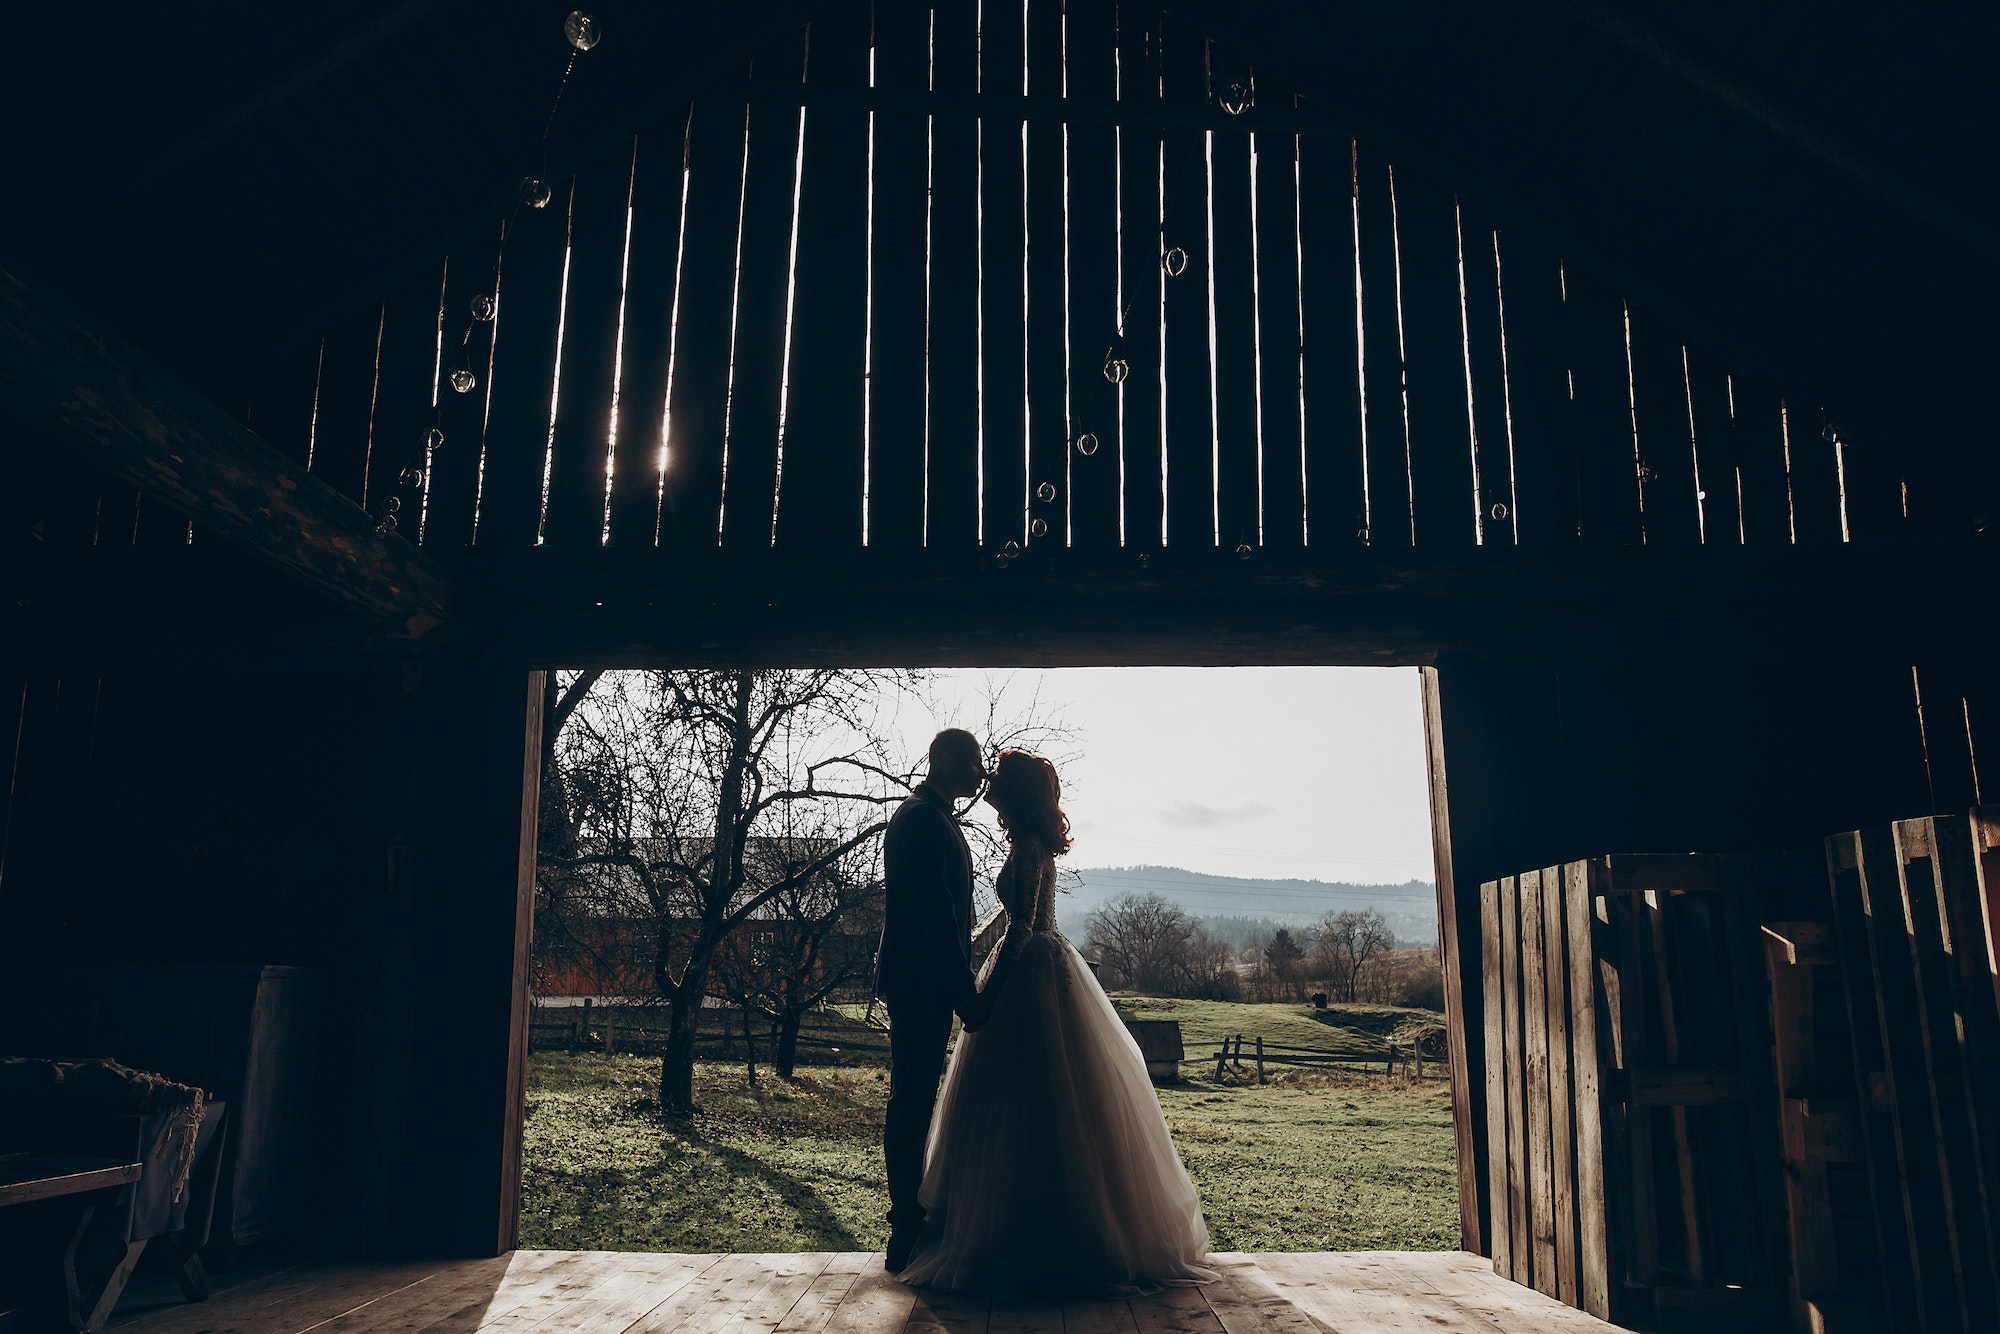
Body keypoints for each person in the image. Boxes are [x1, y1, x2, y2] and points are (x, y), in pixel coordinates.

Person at [897, 750, 1215, 1297]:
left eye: (997, 778)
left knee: (1030, 1099)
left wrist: (986, 994)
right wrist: (975, 948)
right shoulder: (1029, 842)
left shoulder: (1025, 844)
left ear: (1014, 792)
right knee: (1042, 1099)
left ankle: (1029, 1233)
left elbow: (1022, 923)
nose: (987, 783)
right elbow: (1016, 912)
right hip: (1037, 959)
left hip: (1027, 969)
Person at [875, 728, 991, 1273]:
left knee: (915, 1096)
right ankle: (904, 1226)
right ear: (946, 761)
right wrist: (962, 990)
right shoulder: (922, 819)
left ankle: (910, 1219)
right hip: (920, 983)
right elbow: (936, 916)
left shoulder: (932, 816)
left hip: (922, 981)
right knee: (912, 1100)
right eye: (972, 762)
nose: (980, 770)